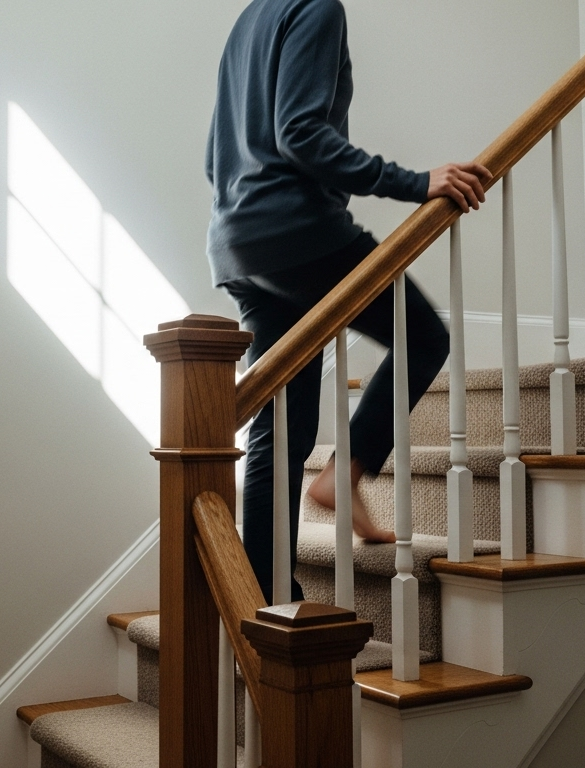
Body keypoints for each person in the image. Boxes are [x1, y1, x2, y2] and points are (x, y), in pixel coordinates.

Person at [206, 0, 491, 602]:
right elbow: (301, 133)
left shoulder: (252, 18)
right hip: (295, 230)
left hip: (237, 242)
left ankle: (266, 597)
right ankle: (347, 471)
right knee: (425, 337)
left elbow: (216, 158)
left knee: (281, 425)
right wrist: (415, 182)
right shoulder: (316, 7)